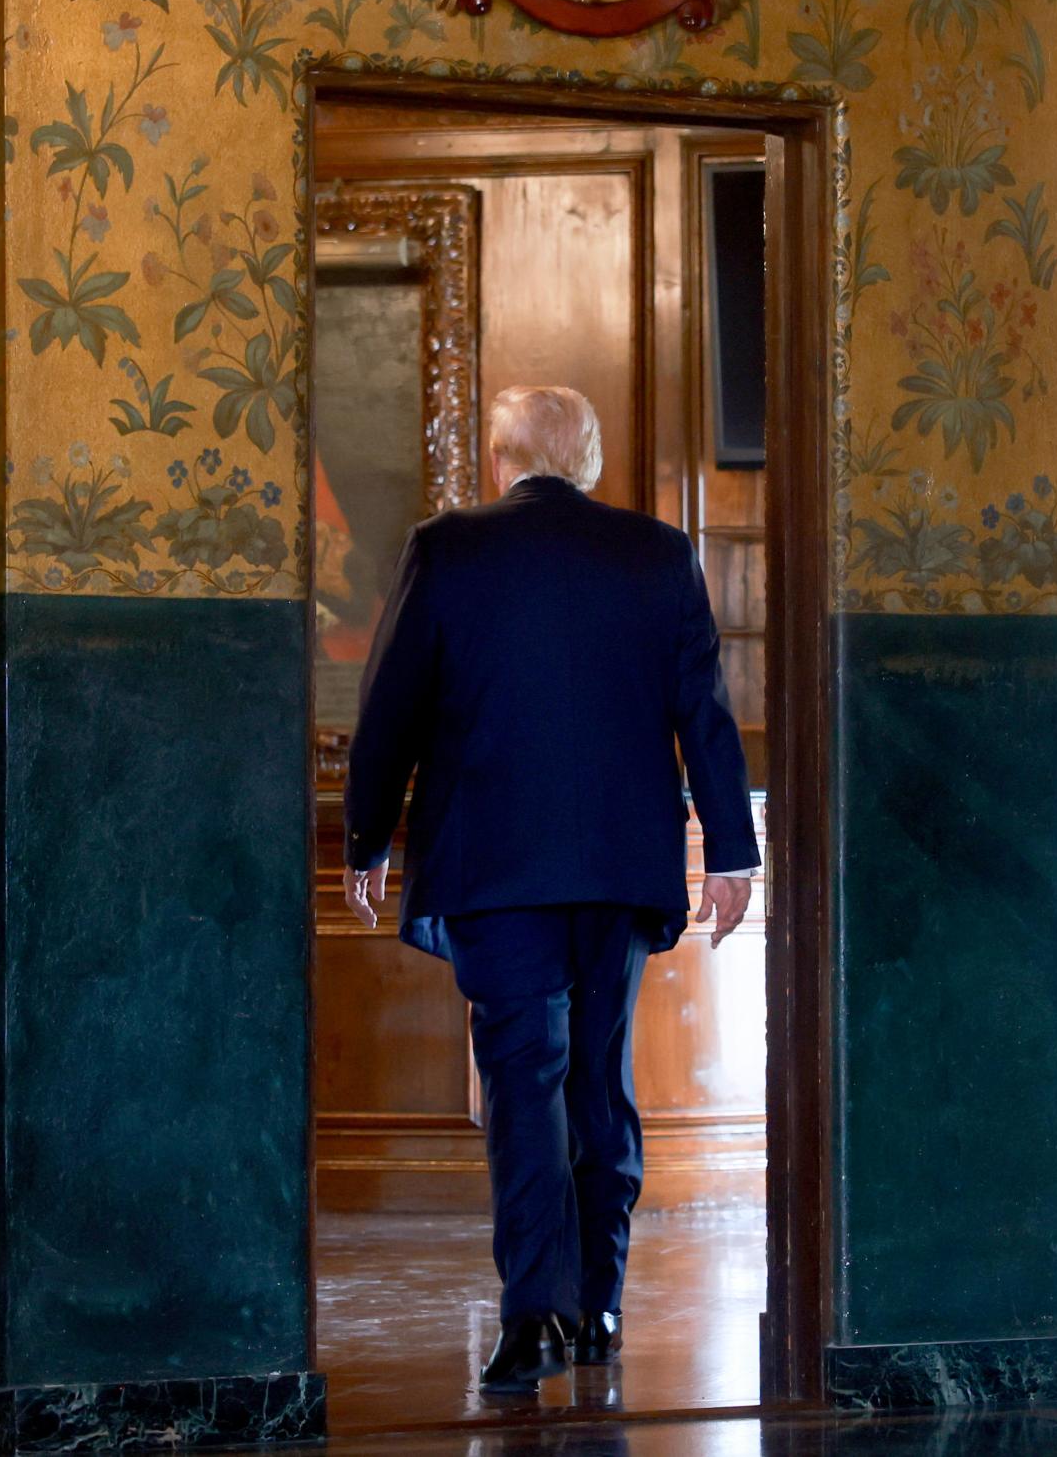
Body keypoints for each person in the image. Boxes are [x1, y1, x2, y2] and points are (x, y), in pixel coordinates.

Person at [341, 385, 759, 1393]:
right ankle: (601, 1300)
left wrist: (367, 836)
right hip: (621, 868)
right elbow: (702, 711)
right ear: (591, 461)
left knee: (523, 1082)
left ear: (498, 460)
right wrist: (734, 853)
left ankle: (536, 1314)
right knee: (598, 1080)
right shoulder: (657, 553)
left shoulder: (447, 549)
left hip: (493, 871)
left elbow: (390, 704)